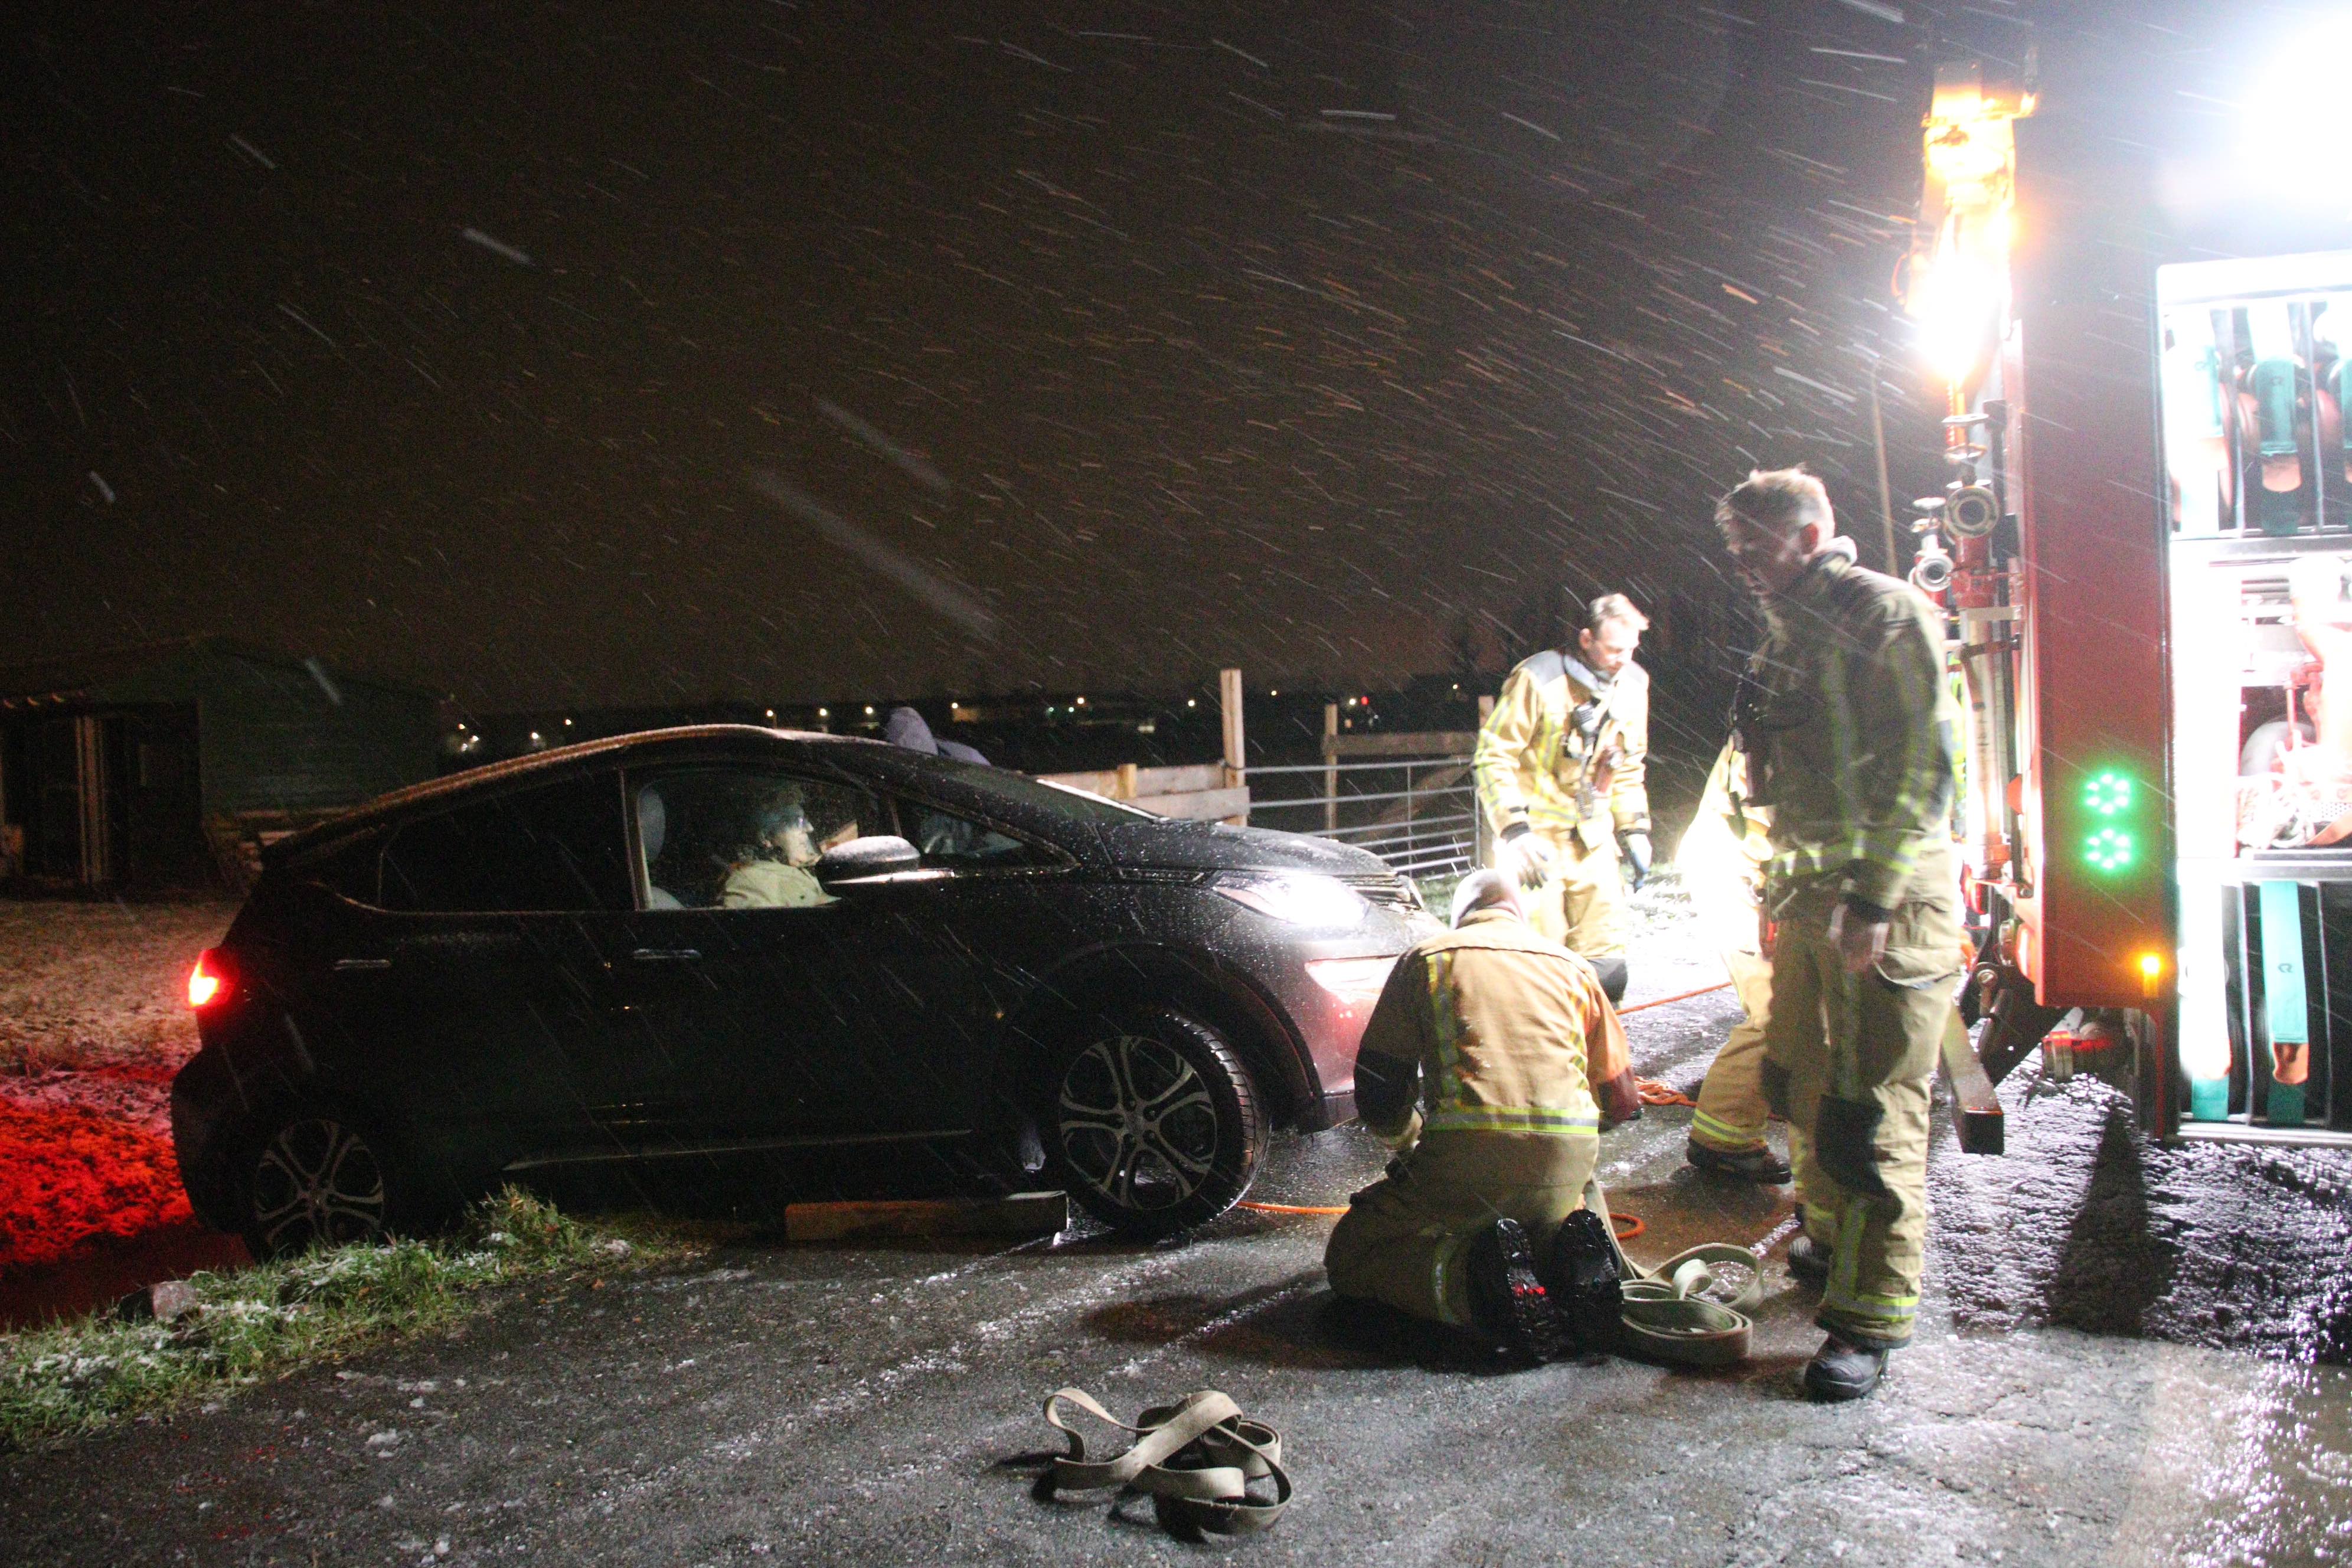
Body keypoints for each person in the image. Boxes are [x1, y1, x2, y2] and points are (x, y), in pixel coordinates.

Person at [1715, 466, 1964, 1403]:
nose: (1741, 561)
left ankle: (1868, 1322)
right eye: (1733, 545)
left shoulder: (1884, 615)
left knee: (1873, 1116)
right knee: (1805, 1085)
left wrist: (1874, 894)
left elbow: (1922, 761)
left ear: (1811, 534)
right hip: (1815, 903)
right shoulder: (1790, 631)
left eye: (1757, 543)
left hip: (1882, 913)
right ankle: (1829, 1244)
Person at [1324, 868, 1641, 1361]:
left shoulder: (1428, 959)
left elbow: (1379, 1088)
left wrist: (1407, 1143)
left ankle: (1477, 1290)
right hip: (1567, 1160)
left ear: (1460, 915)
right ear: (1518, 912)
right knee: (1535, 1224)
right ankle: (1563, 1262)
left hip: (1466, 1161)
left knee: (1352, 1253)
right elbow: (1623, 1101)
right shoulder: (1575, 968)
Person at [1472, 593, 1652, 1003]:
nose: (1623, 659)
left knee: (1606, 966)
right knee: (1541, 967)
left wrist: (1635, 828)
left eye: (1630, 649)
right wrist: (1515, 831)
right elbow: (1493, 756)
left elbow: (1628, 766)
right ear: (1586, 639)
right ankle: (1543, 1059)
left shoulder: (1634, 686)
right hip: (1535, 847)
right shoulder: (1537, 679)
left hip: (1594, 844)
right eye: (1613, 649)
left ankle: (1601, 1061)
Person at [1678, 740, 1794, 1185]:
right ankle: (1724, 1141)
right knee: (1778, 1013)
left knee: (1780, 1010)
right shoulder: (1781, 723)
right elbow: (1771, 825)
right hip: (1740, 879)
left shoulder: (1786, 708)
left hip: (1748, 877)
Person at [721, 786, 834, 909]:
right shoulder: (749, 879)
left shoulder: (810, 865)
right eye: (798, 822)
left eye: (805, 820)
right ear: (767, 838)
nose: (810, 828)